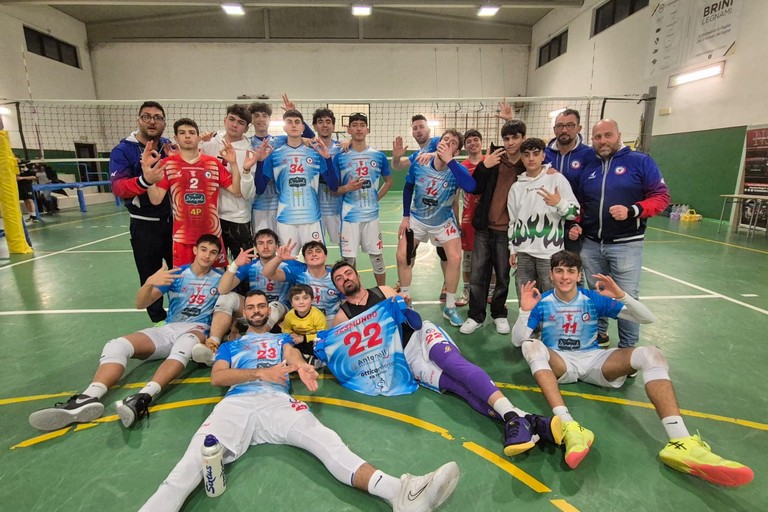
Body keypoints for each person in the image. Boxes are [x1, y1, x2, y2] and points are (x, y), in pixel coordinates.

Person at [138, 290, 460, 512]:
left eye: (260, 306)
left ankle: (400, 493)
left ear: (268, 310)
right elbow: (218, 378)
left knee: (329, 442)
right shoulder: (230, 346)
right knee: (191, 463)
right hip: (237, 405)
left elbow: (292, 356)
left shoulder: (281, 339)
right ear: (244, 314)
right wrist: (260, 375)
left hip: (279, 403)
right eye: (249, 308)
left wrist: (304, 368)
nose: (255, 311)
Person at [510, 251, 753, 487]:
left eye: (570, 271)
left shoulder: (592, 298)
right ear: (551, 275)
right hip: (561, 364)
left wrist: (622, 296)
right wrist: (524, 310)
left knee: (652, 353)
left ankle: (681, 441)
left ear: (578, 275)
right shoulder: (542, 302)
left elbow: (648, 319)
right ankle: (569, 425)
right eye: (559, 271)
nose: (564, 276)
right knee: (531, 345)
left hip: (595, 360)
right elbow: (517, 341)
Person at [329, 261, 563, 457]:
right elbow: (346, 356)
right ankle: (531, 420)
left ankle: (512, 418)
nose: (345, 278)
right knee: (456, 387)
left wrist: (404, 304)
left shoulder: (384, 291)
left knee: (455, 366)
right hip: (405, 360)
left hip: (420, 336)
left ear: (358, 275)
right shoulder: (342, 318)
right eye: (339, 278)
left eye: (348, 273)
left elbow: (415, 321)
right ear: (337, 287)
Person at [28, 235, 225, 431]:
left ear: (217, 256)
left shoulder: (220, 278)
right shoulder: (176, 275)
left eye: (213, 252)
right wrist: (149, 283)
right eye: (204, 249)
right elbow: (140, 304)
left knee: (183, 347)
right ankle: (88, 397)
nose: (207, 255)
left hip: (197, 330)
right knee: (116, 345)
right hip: (169, 328)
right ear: (195, 250)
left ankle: (142, 398)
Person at [572, 119, 670, 348]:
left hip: (626, 244)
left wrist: (633, 211)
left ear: (619, 135)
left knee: (626, 297)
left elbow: (661, 197)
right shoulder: (590, 168)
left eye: (608, 135)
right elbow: (582, 203)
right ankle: (600, 335)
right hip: (592, 243)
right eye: (598, 137)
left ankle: (628, 348)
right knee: (597, 294)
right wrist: (576, 223)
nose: (603, 141)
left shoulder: (640, 161)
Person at [397, 129, 476, 328]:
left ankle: (450, 306)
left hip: (444, 220)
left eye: (452, 143)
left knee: (455, 258)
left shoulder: (457, 169)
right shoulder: (421, 163)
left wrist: (450, 161)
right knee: (402, 255)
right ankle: (406, 301)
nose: (446, 143)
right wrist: (405, 217)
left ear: (456, 151)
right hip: (417, 218)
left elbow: (471, 187)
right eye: (444, 140)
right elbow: (408, 188)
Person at [143, 118, 245, 268]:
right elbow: (156, 199)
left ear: (198, 137)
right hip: (183, 237)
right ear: (176, 138)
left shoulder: (213, 163)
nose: (187, 136)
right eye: (182, 133)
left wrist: (233, 163)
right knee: (184, 281)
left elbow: (236, 191)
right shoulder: (167, 164)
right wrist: (147, 175)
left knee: (216, 281)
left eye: (191, 133)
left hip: (211, 235)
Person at [458, 120, 526, 336]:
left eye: (515, 137)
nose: (510, 142)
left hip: (508, 231)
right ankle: (475, 316)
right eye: (506, 138)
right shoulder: (494, 159)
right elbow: (475, 187)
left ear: (523, 138)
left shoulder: (527, 162)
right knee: (477, 274)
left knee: (503, 275)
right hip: (484, 227)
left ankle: (498, 313)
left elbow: (545, 161)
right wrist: (483, 166)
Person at [109, 101, 173, 325]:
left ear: (164, 122)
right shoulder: (123, 150)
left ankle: (181, 312)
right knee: (150, 273)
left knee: (180, 271)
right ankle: (158, 321)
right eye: (147, 117)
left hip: (173, 221)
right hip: (144, 223)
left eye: (157, 117)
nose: (152, 121)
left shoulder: (167, 146)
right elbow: (118, 187)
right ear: (139, 120)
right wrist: (145, 180)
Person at [253, 109, 339, 256]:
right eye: (289, 122)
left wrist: (327, 159)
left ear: (303, 127)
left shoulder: (315, 153)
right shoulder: (275, 154)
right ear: (284, 128)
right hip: (286, 219)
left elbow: (333, 185)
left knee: (316, 262)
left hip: (311, 219)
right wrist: (260, 163)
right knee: (287, 263)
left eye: (297, 122)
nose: (293, 125)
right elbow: (260, 189)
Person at [197, 228, 291, 363]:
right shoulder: (250, 265)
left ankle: (245, 348)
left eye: (270, 242)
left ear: (277, 246)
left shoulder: (289, 264)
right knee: (226, 297)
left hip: (279, 310)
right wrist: (235, 265)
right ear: (255, 248)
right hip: (253, 310)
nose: (265, 246)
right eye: (260, 243)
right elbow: (223, 289)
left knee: (273, 306)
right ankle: (212, 345)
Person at [507, 137, 579, 297]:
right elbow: (513, 221)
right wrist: (512, 248)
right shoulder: (516, 187)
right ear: (522, 158)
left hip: (550, 253)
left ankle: (551, 323)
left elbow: (574, 212)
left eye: (535, 153)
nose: (531, 158)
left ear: (543, 156)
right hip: (523, 252)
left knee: (551, 297)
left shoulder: (556, 179)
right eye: (526, 155)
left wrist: (559, 203)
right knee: (526, 298)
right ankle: (528, 323)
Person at [335, 112, 393, 286]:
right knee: (348, 259)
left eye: (362, 125)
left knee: (377, 256)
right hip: (350, 215)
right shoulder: (340, 156)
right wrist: (347, 188)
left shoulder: (378, 156)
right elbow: (334, 189)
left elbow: (389, 181)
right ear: (348, 129)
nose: (358, 128)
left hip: (371, 215)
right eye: (355, 125)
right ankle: (353, 293)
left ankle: (382, 291)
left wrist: (376, 198)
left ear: (367, 129)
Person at [199, 104, 257, 266]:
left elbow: (248, 194)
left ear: (246, 128)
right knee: (212, 266)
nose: (234, 125)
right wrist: (198, 142)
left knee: (245, 267)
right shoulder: (209, 143)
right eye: (231, 119)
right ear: (225, 120)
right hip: (211, 216)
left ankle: (245, 292)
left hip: (237, 216)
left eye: (240, 122)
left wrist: (244, 170)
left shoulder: (249, 152)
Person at [248, 96, 316, 233]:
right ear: (251, 120)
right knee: (263, 244)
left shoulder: (280, 140)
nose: (261, 119)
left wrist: (293, 112)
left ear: (269, 119)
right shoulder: (247, 143)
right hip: (258, 202)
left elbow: (311, 136)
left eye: (265, 115)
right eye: (256, 116)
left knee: (281, 244)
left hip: (279, 203)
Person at [544, 108, 596, 255]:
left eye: (570, 125)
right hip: (549, 222)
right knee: (550, 270)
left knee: (572, 269)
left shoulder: (590, 154)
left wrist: (579, 221)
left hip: (576, 222)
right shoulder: (544, 154)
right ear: (555, 130)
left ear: (578, 128)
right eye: (560, 126)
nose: (564, 130)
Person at [262, 240, 341, 326]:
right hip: (303, 318)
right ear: (304, 259)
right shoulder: (299, 273)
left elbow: (346, 301)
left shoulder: (336, 275)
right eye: (309, 252)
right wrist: (279, 258)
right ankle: (259, 336)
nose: (314, 254)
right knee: (274, 308)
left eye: (318, 251)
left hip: (330, 319)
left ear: (325, 257)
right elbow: (267, 273)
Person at [456, 128, 485, 307]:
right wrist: (456, 219)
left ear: (481, 142)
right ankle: (466, 290)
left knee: (490, 258)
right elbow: (454, 196)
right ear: (465, 146)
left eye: (476, 139)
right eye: (469, 141)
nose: (473, 143)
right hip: (468, 219)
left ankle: (490, 291)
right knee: (467, 259)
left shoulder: (491, 161)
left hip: (488, 219)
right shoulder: (462, 167)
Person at [312, 107, 344, 245]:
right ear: (314, 126)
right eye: (320, 121)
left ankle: (348, 267)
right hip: (313, 209)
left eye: (328, 121)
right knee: (315, 247)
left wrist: (351, 143)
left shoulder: (342, 148)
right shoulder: (308, 147)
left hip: (336, 207)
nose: (324, 125)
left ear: (333, 126)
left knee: (346, 247)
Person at [282, 284, 327, 364]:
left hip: (312, 340)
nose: (301, 302)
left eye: (305, 298)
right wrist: (291, 333)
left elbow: (322, 334)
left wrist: (304, 338)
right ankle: (295, 358)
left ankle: (315, 359)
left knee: (322, 345)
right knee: (286, 343)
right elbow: (285, 328)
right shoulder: (289, 315)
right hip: (297, 340)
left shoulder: (318, 315)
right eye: (296, 299)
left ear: (312, 300)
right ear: (292, 303)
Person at [15, 158, 38, 222]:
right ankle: (30, 215)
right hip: (20, 186)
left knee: (30, 199)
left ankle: (34, 216)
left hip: (27, 186)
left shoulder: (28, 167)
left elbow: (34, 177)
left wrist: (22, 178)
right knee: (25, 200)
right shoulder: (16, 168)